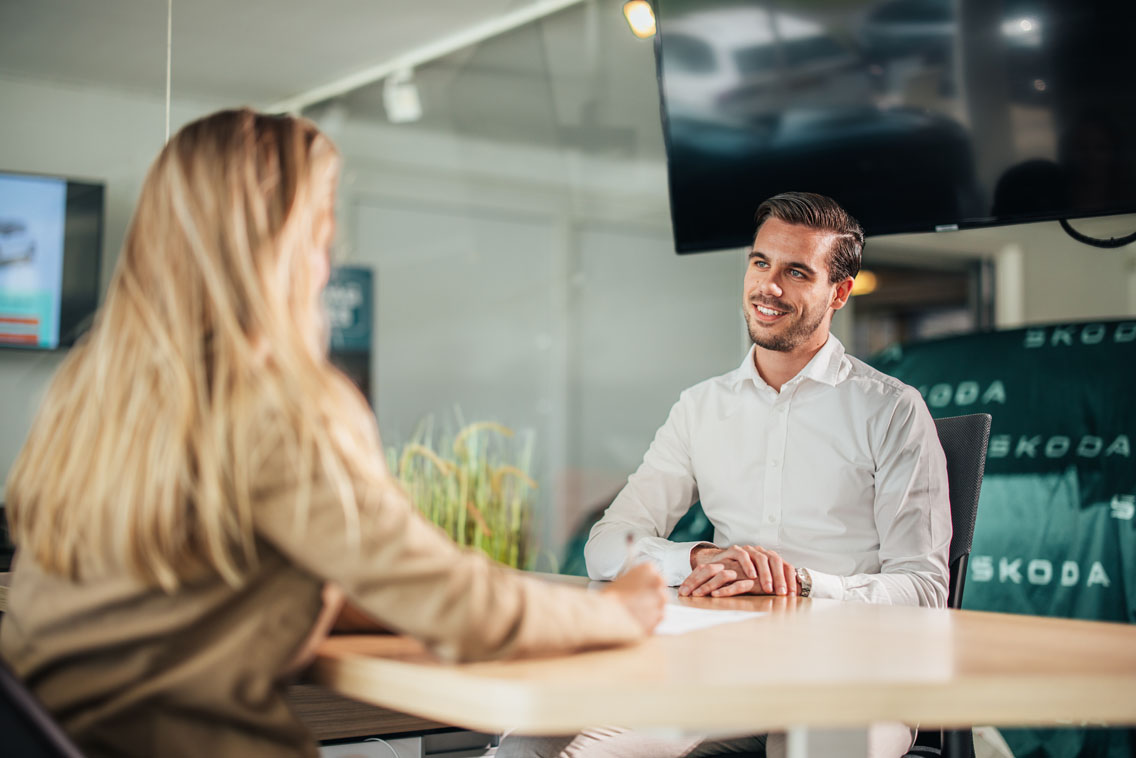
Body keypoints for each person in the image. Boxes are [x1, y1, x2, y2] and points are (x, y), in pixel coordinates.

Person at [0, 108, 666, 758]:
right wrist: (616, 612)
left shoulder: (87, 393)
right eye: (321, 222)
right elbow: (460, 607)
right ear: (286, 240)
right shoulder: (275, 404)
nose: (330, 245)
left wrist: (359, 595)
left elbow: (196, 582)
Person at [501, 192, 950, 758]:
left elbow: (926, 590)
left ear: (838, 292)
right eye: (761, 262)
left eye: (796, 272)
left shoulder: (892, 410)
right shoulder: (700, 407)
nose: (770, 287)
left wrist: (804, 582)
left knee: (813, 746)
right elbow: (606, 548)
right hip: (719, 667)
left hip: (853, 673)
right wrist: (697, 559)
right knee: (534, 742)